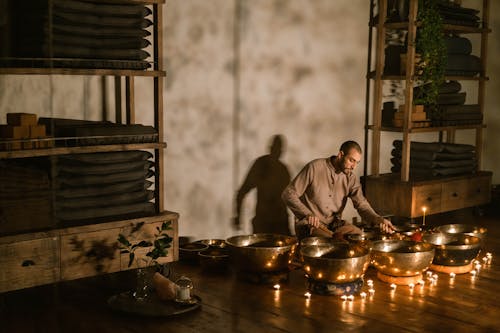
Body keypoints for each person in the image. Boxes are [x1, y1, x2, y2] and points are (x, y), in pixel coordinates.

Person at [281, 140, 395, 240]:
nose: (354, 166)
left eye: (357, 162)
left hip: (334, 225)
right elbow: (288, 194)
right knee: (333, 244)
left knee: (360, 239)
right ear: (340, 155)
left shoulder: (351, 178)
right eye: (351, 160)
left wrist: (378, 219)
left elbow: (362, 205)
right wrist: (307, 214)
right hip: (310, 226)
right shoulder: (315, 167)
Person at [233, 135, 291, 235]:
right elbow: (242, 192)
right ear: (271, 149)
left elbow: (289, 199)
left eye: (278, 150)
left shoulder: (283, 170)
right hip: (264, 223)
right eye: (276, 149)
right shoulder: (261, 165)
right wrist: (238, 215)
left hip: (280, 224)